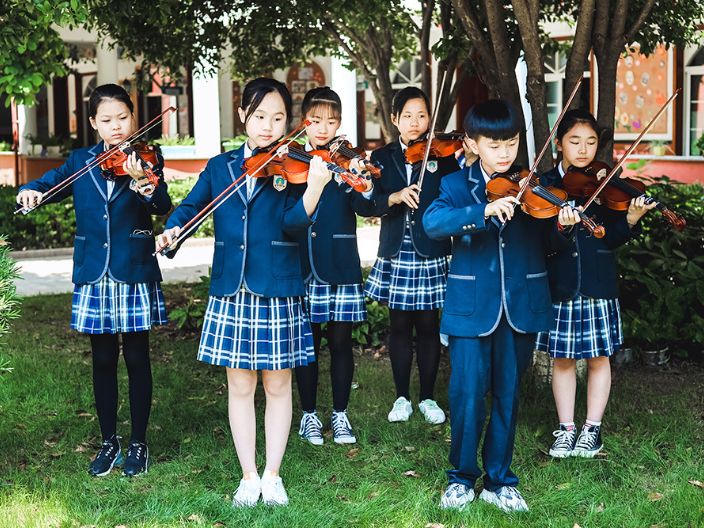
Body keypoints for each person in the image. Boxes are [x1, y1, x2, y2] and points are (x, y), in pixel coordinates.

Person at [158, 78, 329, 507]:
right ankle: (248, 475)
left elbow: (293, 224)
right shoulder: (220, 167)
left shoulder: (296, 165)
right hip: (231, 288)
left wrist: (312, 190)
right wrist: (174, 226)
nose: (268, 126)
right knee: (239, 387)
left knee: (277, 386)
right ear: (242, 117)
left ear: (288, 122)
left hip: (277, 286)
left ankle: (273, 475)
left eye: (277, 118)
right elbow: (191, 205)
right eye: (258, 117)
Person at [424, 99, 579, 513]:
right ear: (473, 144)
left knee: (508, 396)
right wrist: (481, 210)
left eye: (511, 142)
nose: (505, 152)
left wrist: (562, 229)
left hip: (521, 306)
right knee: (467, 394)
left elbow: (548, 244)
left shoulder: (533, 187)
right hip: (471, 307)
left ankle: (499, 479)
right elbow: (432, 224)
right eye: (495, 145)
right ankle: (460, 477)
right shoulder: (455, 185)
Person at [16, 83, 171, 477]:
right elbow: (49, 184)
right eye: (107, 120)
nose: (116, 127)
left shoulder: (146, 158)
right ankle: (108, 442)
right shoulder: (80, 160)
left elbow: (161, 205)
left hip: (132, 268)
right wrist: (31, 192)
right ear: (93, 123)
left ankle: (138, 443)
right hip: (93, 271)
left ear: (133, 117)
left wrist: (143, 183)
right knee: (102, 360)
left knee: (137, 357)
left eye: (122, 117)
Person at [535, 109, 655, 458]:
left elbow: (611, 238)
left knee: (600, 358)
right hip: (562, 284)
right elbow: (543, 242)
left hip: (598, 284)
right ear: (559, 143)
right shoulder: (543, 185)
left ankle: (592, 429)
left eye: (590, 142)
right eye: (574, 141)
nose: (583, 149)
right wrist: (562, 226)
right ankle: (566, 429)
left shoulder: (604, 184)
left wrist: (631, 219)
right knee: (563, 360)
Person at [360, 87, 460, 425]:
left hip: (430, 248)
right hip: (396, 250)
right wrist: (394, 197)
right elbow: (365, 203)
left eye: (421, 115)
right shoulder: (380, 158)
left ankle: (428, 398)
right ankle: (401, 397)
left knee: (429, 325)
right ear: (394, 119)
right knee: (399, 325)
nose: (415, 123)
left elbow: (455, 198)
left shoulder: (442, 156)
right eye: (407, 116)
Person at [294, 87, 373, 446]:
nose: (323, 128)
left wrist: (365, 182)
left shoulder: (348, 161)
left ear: (340, 123)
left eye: (332, 120)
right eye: (316, 120)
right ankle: (308, 415)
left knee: (341, 343)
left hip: (340, 263)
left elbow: (366, 206)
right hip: (302, 264)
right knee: (306, 343)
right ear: (304, 122)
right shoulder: (293, 160)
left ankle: (340, 415)